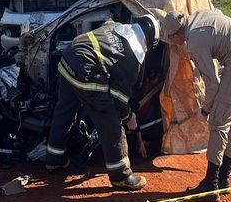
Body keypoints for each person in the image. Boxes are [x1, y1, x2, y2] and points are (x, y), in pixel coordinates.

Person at [45, 14, 160, 191]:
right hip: (86, 71)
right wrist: (129, 117)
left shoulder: (116, 27)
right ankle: (121, 176)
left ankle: (54, 160)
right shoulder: (132, 60)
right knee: (111, 121)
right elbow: (119, 99)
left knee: (64, 112)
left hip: (68, 59)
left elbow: (106, 23)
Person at [161, 9, 231, 201]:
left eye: (171, 39)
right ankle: (223, 180)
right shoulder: (199, 18)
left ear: (176, 35)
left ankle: (211, 185)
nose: (173, 43)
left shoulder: (195, 41)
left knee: (219, 122)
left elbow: (212, 84)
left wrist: (205, 110)